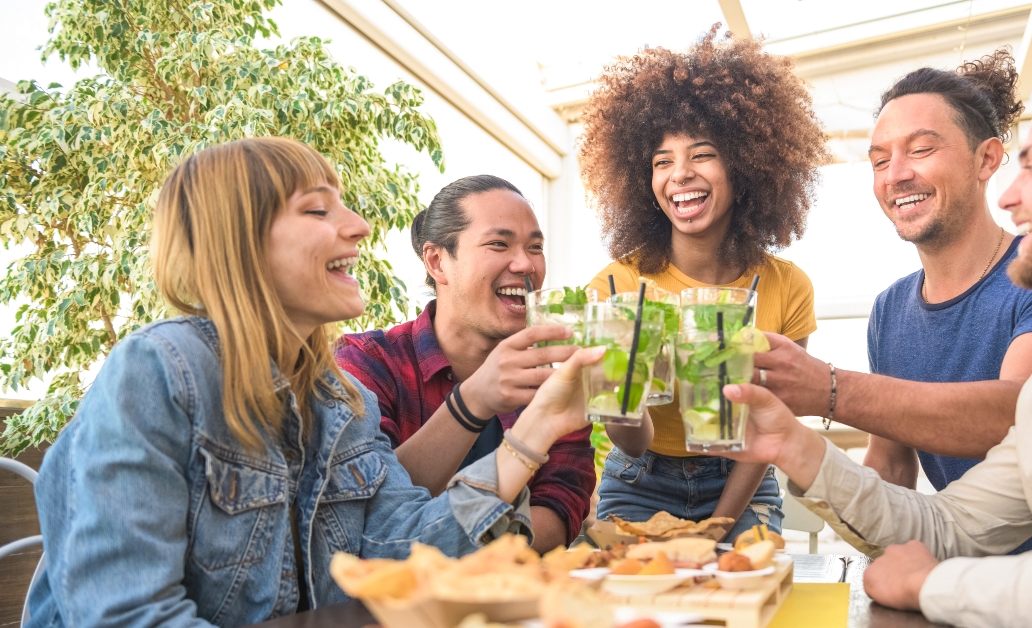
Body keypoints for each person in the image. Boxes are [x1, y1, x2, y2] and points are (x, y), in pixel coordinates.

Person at [26, 138, 605, 626]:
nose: (359, 226)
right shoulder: (158, 373)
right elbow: (128, 616)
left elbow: (403, 545)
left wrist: (540, 424)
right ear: (242, 241)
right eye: (318, 211)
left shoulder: (338, 399)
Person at [724, 51, 1032, 627]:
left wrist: (931, 583)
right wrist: (791, 444)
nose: (1010, 196)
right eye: (879, 159)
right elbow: (949, 527)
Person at [753, 50, 1032, 552]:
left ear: (987, 159)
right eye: (878, 161)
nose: (895, 175)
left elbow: (1019, 413)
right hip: (954, 570)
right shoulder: (890, 310)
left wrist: (827, 389)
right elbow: (891, 467)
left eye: (920, 150)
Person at [576, 27, 825, 539]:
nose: (679, 174)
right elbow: (632, 441)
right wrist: (622, 396)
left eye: (702, 154)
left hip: (742, 479)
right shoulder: (617, 288)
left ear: (745, 165)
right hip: (639, 478)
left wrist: (719, 526)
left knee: (742, 600)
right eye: (661, 161)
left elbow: (767, 426)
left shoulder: (787, 287)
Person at [335, 175, 594, 553]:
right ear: (437, 261)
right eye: (498, 244)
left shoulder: (553, 385)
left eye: (535, 247)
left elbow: (559, 511)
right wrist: (473, 401)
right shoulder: (368, 363)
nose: (525, 264)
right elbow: (371, 508)